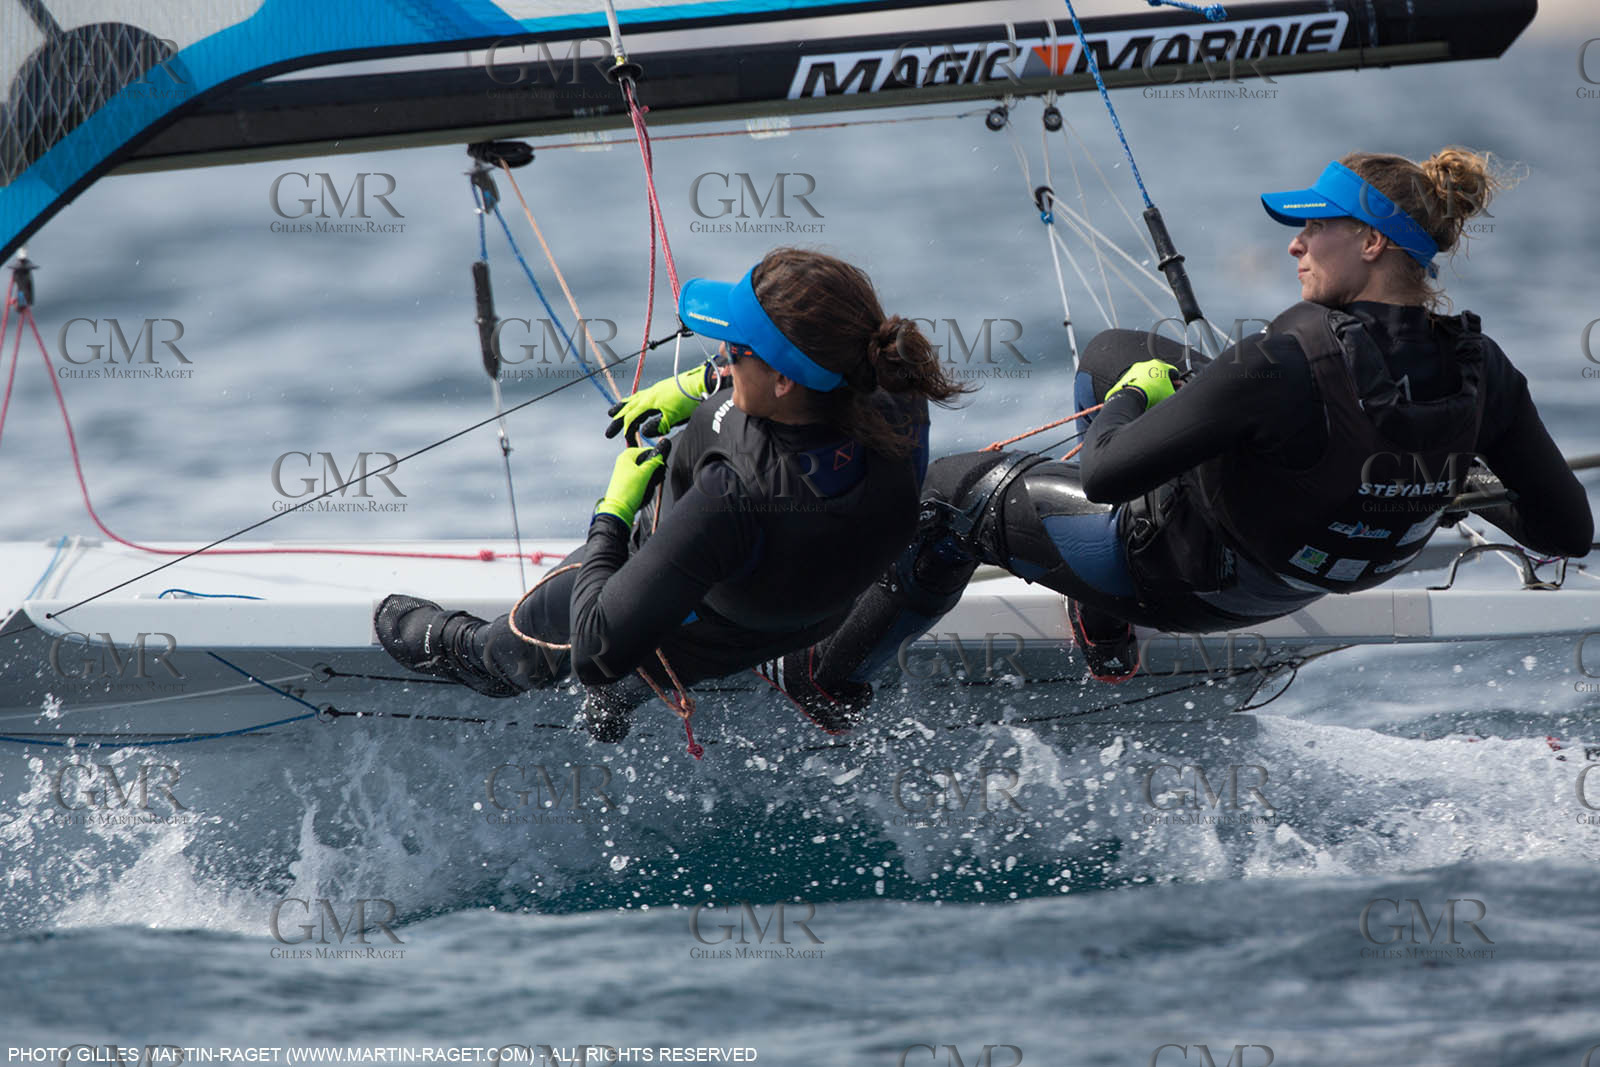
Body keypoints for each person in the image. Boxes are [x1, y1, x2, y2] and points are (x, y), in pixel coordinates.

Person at [770, 148, 1594, 722]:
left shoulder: (1280, 361)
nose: (1295, 243)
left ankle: (825, 681)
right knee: (1115, 347)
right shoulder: (1482, 366)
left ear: (1373, 243)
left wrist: (1132, 399)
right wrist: (1428, 485)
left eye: (1317, 227)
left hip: (1186, 578)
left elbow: (1106, 475)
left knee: (955, 490)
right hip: (1294, 581)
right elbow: (1567, 531)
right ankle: (1103, 626)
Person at [374, 247, 969, 739]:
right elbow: (818, 377)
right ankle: (630, 696)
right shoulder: (893, 389)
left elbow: (597, 645)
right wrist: (699, 383)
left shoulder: (731, 494)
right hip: (809, 614)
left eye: (732, 351)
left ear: (784, 379)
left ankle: (479, 658)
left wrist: (614, 509)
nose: (721, 356)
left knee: (526, 646)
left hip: (700, 621)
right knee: (692, 608)